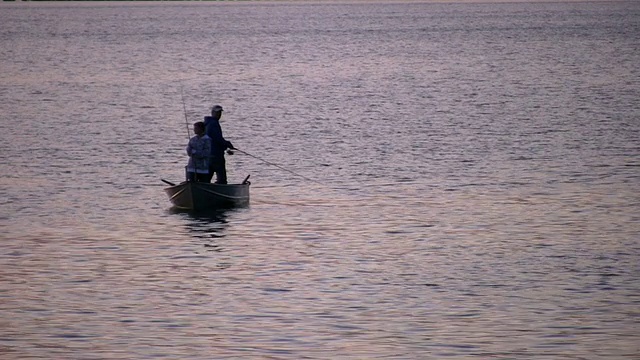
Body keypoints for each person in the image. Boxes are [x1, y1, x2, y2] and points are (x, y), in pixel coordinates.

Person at [203, 105, 235, 184]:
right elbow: (217, 139)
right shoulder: (214, 124)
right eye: (217, 112)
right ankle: (219, 190)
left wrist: (226, 146)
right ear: (212, 112)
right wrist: (227, 144)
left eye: (220, 112)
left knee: (206, 179)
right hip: (216, 155)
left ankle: (206, 190)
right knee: (222, 179)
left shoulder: (206, 124)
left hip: (207, 156)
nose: (219, 114)